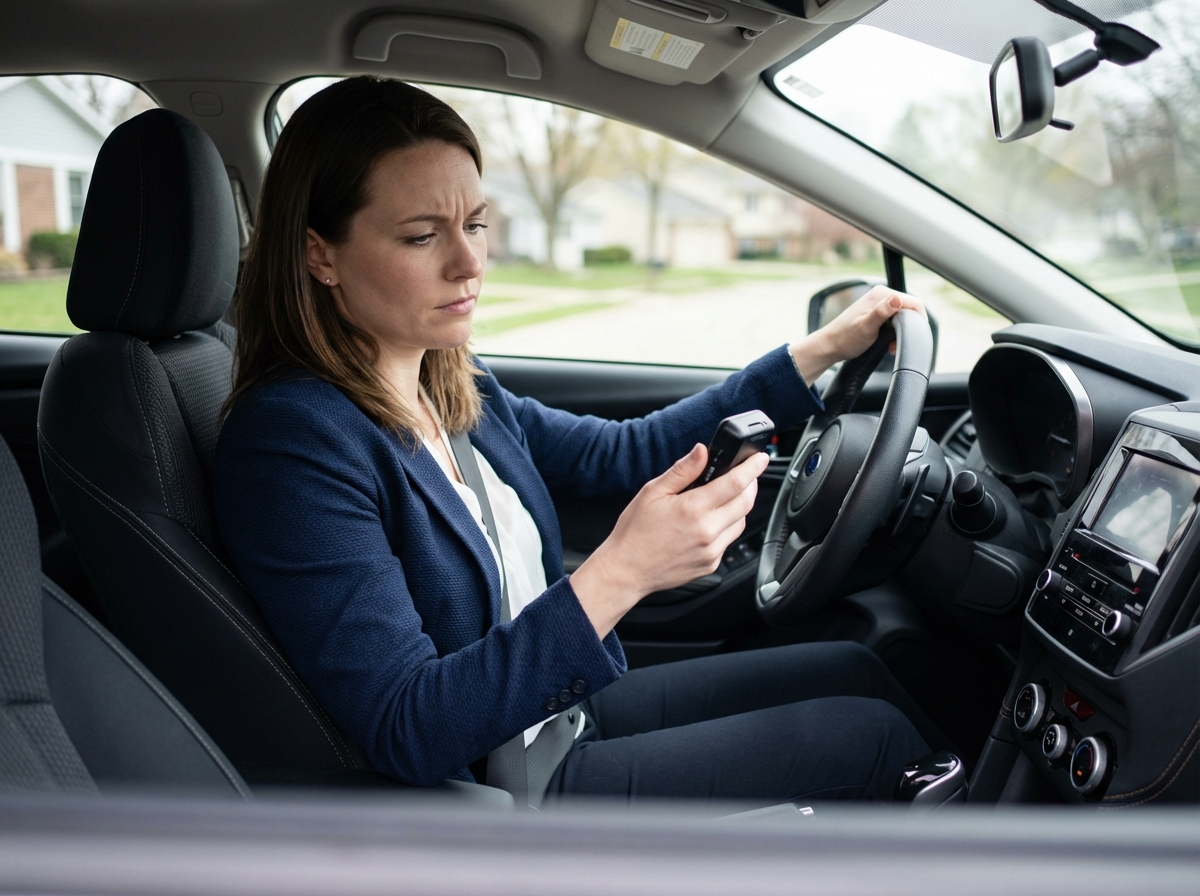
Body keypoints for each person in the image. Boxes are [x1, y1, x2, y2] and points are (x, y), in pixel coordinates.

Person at [213, 76, 943, 807]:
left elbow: (620, 453)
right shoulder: (293, 444)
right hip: (503, 785)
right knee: (873, 739)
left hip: (556, 716)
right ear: (321, 256)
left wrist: (819, 351)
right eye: (421, 235)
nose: (470, 263)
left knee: (858, 666)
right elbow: (411, 724)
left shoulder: (451, 380)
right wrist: (624, 570)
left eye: (475, 224)